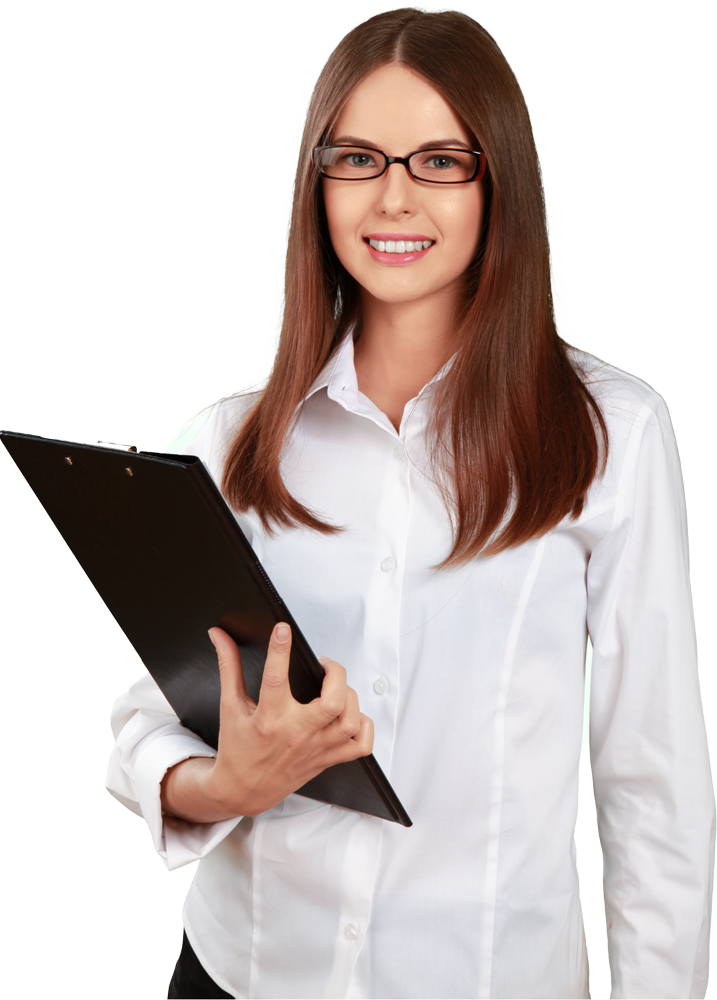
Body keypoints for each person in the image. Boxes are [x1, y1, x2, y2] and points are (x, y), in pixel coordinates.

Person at [106, 7, 715, 998]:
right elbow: (151, 716)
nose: (392, 198)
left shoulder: (612, 436)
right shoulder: (232, 440)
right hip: (242, 971)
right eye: (356, 157)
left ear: (495, 179)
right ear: (318, 179)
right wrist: (226, 784)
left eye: (438, 161)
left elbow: (652, 793)